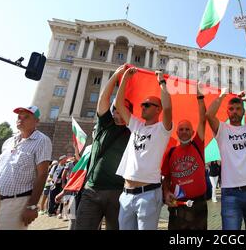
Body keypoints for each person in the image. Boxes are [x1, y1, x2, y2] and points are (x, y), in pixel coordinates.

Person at [75, 64, 132, 230]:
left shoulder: (133, 131)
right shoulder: (104, 124)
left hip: (119, 193)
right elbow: (103, 100)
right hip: (91, 191)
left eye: (123, 110)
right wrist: (115, 76)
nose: (118, 114)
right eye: (116, 110)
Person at [115, 68, 173, 230]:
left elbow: (168, 108)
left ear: (157, 109)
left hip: (148, 194)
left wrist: (161, 81)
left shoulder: (162, 129)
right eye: (142, 104)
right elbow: (119, 105)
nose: (143, 107)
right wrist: (125, 78)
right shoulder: (136, 125)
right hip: (126, 195)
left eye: (148, 105)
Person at [206, 89, 246, 230]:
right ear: (227, 113)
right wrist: (222, 95)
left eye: (238, 109)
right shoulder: (222, 129)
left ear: (242, 112)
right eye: (231, 109)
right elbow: (209, 115)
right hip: (231, 194)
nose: (234, 111)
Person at [0, 106, 52, 229]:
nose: (21, 119)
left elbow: (42, 174)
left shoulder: (42, 141)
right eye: (19, 117)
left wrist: (32, 206)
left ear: (37, 121)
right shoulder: (9, 141)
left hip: (16, 203)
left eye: (26, 117)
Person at [161, 82, 208, 230]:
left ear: (193, 132)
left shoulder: (197, 144)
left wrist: (200, 97)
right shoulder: (171, 153)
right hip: (178, 205)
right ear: (177, 133)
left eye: (187, 129)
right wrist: (166, 191)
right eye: (181, 129)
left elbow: (203, 119)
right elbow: (166, 178)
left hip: (199, 204)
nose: (184, 131)